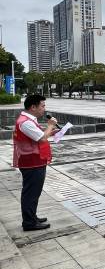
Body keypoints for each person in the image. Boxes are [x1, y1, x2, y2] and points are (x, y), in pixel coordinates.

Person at [13, 94, 58, 231]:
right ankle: (29, 222)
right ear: (33, 107)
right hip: (31, 162)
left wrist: (51, 132)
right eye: (42, 106)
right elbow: (42, 138)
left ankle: (32, 217)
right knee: (31, 193)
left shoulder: (28, 120)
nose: (44, 109)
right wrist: (50, 126)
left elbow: (38, 136)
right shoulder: (25, 122)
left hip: (35, 161)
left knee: (34, 192)